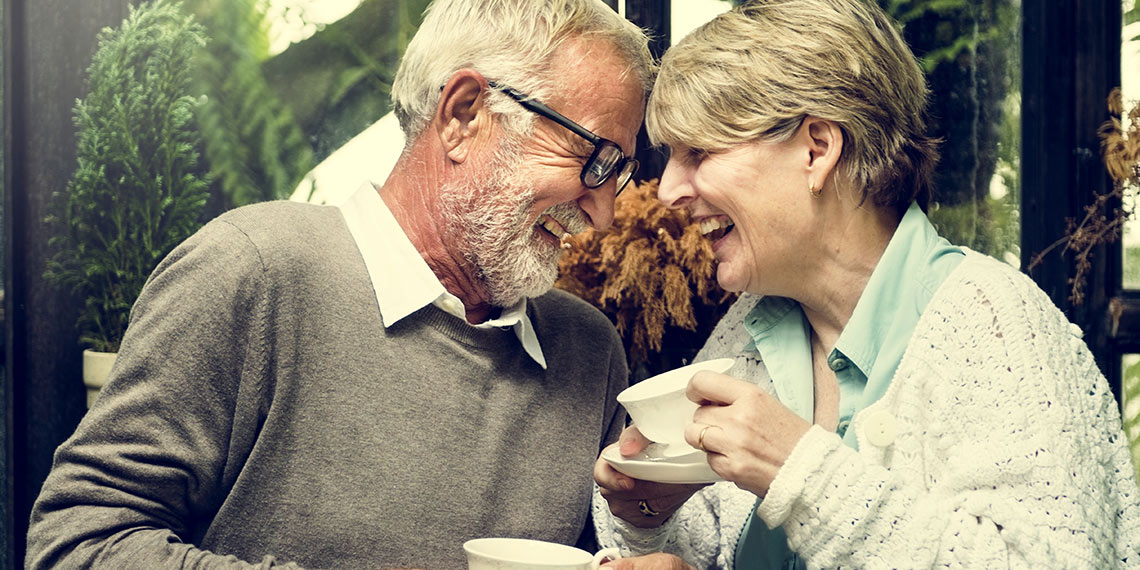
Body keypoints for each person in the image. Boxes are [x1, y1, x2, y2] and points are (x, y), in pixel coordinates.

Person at [26, 1, 654, 568]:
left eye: (619, 172)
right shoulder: (252, 270)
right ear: (464, 115)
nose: (603, 213)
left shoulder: (590, 351)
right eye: (593, 159)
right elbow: (75, 543)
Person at [592, 0, 1140, 568]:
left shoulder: (996, 324)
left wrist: (802, 473)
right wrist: (648, 517)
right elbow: (715, 543)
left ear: (817, 149)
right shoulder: (751, 328)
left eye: (699, 152)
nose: (668, 190)